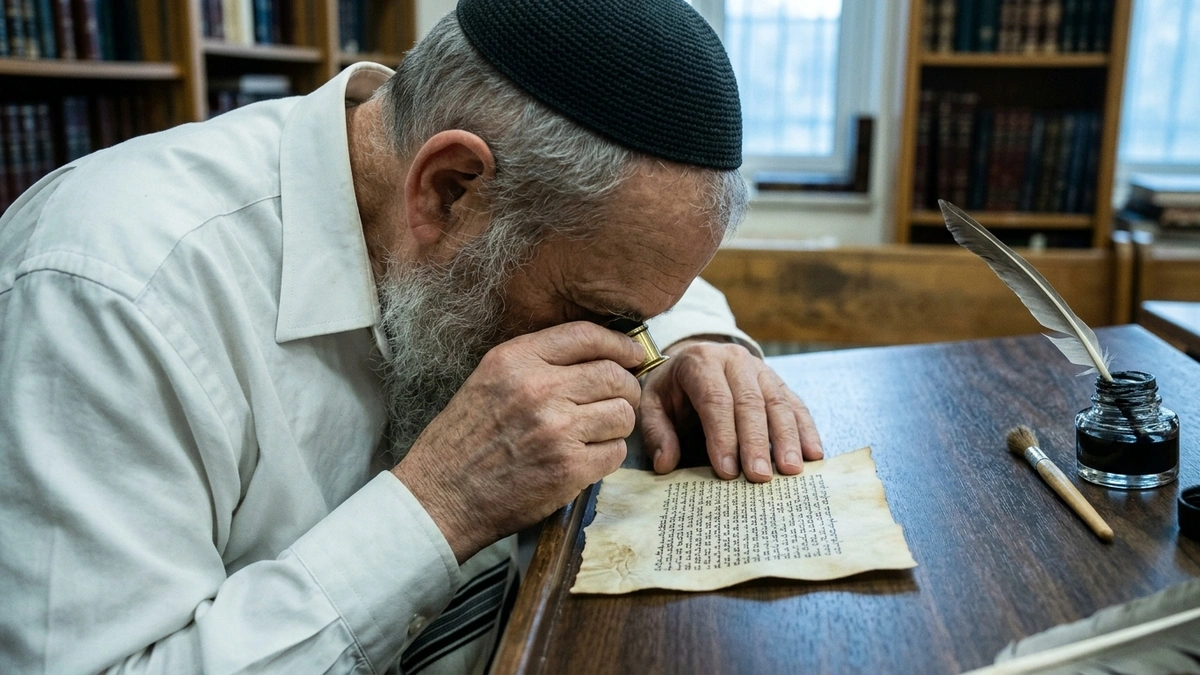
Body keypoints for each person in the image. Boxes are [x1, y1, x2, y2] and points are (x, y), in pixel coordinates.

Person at [0, 0, 822, 672]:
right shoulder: (110, 290)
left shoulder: (479, 207)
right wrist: (439, 507)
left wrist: (695, 346)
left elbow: (637, 282)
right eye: (608, 317)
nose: (626, 344)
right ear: (450, 189)